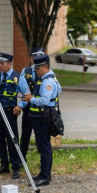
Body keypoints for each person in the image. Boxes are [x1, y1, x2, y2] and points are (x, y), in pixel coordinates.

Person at [0, 52, 28, 179]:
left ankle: (15, 167)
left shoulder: (18, 77)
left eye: (3, 63)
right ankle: (4, 164)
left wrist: (20, 106)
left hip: (9, 113)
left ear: (9, 64)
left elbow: (26, 94)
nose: (0, 66)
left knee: (12, 140)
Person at [19, 48, 62, 162]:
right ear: (31, 58)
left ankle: (44, 168)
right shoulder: (26, 71)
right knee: (25, 136)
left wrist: (41, 94)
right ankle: (21, 160)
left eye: (39, 56)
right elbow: (24, 91)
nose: (36, 59)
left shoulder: (48, 75)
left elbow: (58, 90)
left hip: (42, 112)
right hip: (29, 108)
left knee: (42, 141)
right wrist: (22, 104)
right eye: (34, 56)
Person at [22, 54, 58, 186]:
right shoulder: (49, 78)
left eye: (37, 68)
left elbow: (44, 100)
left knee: (44, 148)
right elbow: (59, 89)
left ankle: (44, 176)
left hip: (42, 118)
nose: (35, 70)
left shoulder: (47, 81)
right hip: (41, 117)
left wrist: (31, 99)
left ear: (45, 67)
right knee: (44, 147)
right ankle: (44, 174)